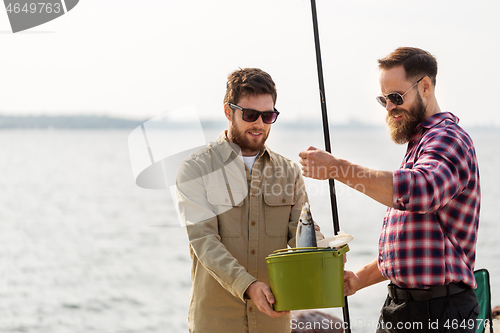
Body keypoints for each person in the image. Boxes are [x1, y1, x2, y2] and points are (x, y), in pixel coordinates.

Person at [299, 47, 480, 333]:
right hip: (401, 309)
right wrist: (359, 279)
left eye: (396, 97)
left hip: (441, 313)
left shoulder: (448, 138)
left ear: (425, 87)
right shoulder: (420, 146)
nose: (389, 108)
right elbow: (411, 251)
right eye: (383, 99)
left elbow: (422, 191)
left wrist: (337, 168)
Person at [176, 68, 321, 333]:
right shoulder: (195, 169)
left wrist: (327, 257)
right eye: (250, 115)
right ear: (228, 111)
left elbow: (301, 235)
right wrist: (249, 286)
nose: (259, 124)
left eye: (268, 116)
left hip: (273, 323)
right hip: (215, 323)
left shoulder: (288, 171)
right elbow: (204, 241)